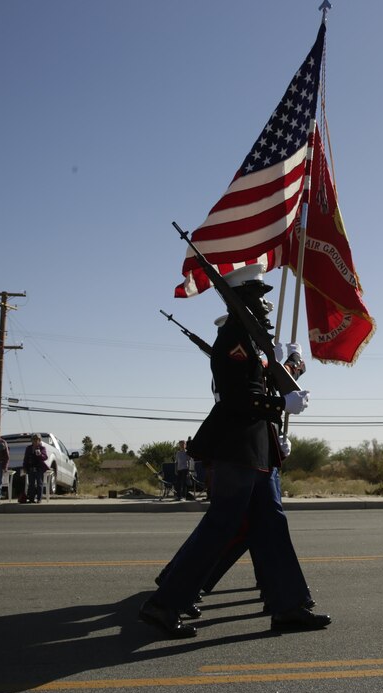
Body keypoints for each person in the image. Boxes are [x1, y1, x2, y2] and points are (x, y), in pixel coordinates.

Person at [140, 263, 330, 639]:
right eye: (258, 299)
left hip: (255, 451)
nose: (265, 307)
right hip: (236, 448)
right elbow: (238, 399)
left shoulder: (250, 340)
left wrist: (292, 372)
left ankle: (288, 606)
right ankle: (164, 604)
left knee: (271, 527)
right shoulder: (233, 339)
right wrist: (281, 407)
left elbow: (262, 383)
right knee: (222, 526)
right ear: (241, 299)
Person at [22, 434, 49, 504]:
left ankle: (39, 499)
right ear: (32, 440)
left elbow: (45, 457)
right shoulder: (28, 448)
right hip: (31, 468)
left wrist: (40, 454)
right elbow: (26, 458)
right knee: (31, 484)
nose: (35, 441)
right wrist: (24, 467)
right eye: (34, 439)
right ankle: (31, 499)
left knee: (39, 484)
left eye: (37, 440)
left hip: (39, 468)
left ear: (39, 440)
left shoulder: (42, 448)